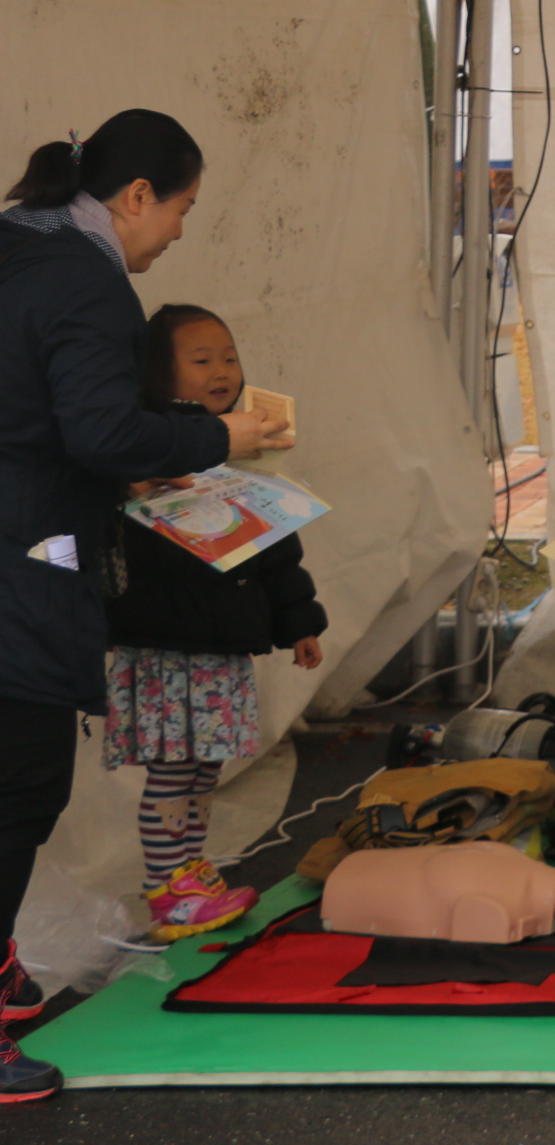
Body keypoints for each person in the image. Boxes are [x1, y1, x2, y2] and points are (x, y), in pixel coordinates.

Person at [0, 111, 289, 1105]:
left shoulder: (17, 246)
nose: (177, 233)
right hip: (24, 564)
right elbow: (99, 432)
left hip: (26, 544)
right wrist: (219, 440)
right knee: (20, 785)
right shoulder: (86, 280)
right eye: (180, 209)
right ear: (133, 197)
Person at [102, 304, 327, 943]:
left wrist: (300, 622)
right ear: (158, 372)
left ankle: (189, 873)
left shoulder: (243, 448)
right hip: (167, 643)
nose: (222, 370)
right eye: (202, 360)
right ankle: (167, 891)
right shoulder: (142, 445)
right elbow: (108, 544)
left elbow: (276, 547)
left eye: (228, 357)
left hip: (221, 643)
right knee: (175, 769)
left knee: (204, 768)